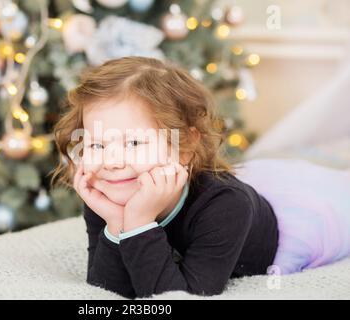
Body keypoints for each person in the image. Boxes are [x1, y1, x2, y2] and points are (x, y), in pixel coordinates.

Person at [50, 56, 350, 299]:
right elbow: (106, 290)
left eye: (134, 143)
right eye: (97, 145)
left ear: (185, 147)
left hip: (275, 222)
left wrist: (138, 223)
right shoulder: (108, 197)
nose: (112, 162)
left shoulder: (225, 207)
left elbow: (177, 296)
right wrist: (117, 224)